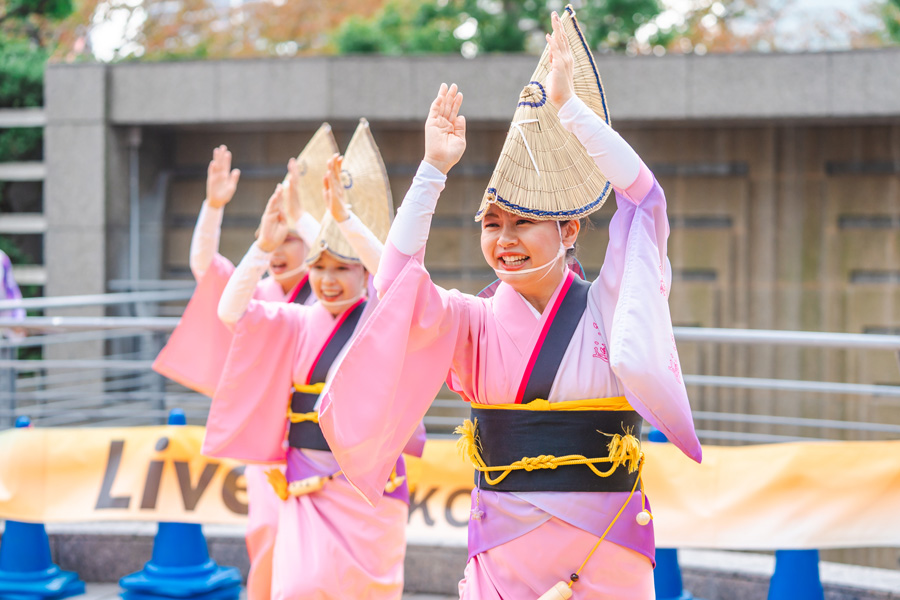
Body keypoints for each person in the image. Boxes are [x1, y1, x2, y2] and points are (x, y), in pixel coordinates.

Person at [319, 9, 702, 599]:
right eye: (492, 224)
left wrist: (572, 112)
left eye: (523, 222)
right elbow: (396, 282)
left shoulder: (610, 306)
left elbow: (645, 199)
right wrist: (432, 170)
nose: (504, 239)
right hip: (502, 551)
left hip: (607, 552)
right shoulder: (470, 321)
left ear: (569, 230)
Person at [205, 120, 426, 600]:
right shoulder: (297, 320)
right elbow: (230, 312)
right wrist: (263, 247)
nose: (327, 279)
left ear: (363, 273)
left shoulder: (383, 319)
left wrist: (339, 220)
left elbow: (396, 277)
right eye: (318, 267)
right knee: (299, 587)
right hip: (305, 480)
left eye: (341, 268)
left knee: (368, 591)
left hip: (370, 486)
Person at [153, 126, 337, 600]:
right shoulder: (256, 294)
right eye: (271, 237)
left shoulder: (333, 296)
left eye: (290, 237)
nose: (277, 250)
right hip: (270, 439)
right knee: (267, 538)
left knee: (324, 556)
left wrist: (306, 217)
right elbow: (206, 267)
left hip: (328, 445)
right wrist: (214, 206)